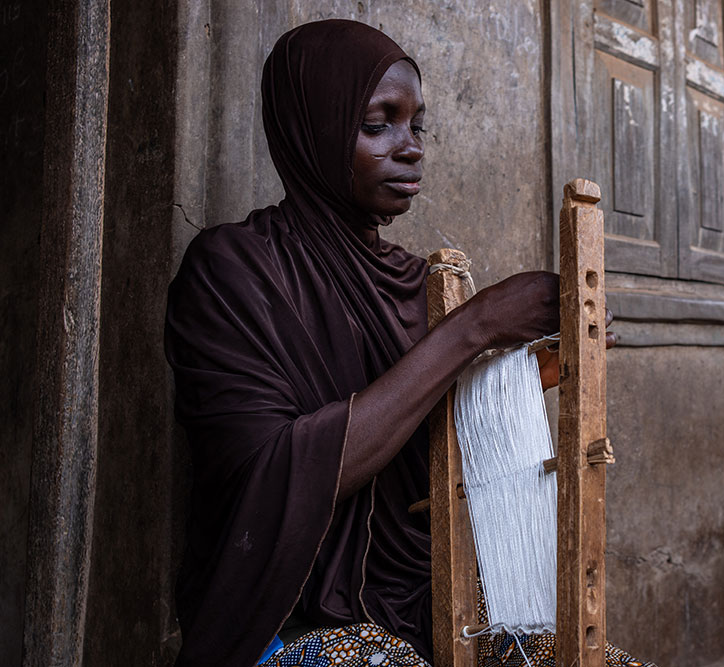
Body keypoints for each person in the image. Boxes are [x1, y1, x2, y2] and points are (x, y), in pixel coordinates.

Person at [165, 19, 641, 667]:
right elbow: (273, 476)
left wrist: (532, 374)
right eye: (377, 124)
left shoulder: (418, 284)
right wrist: (474, 327)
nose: (410, 148)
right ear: (312, 128)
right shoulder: (233, 272)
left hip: (427, 598)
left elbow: (424, 435)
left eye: (417, 126)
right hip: (287, 614)